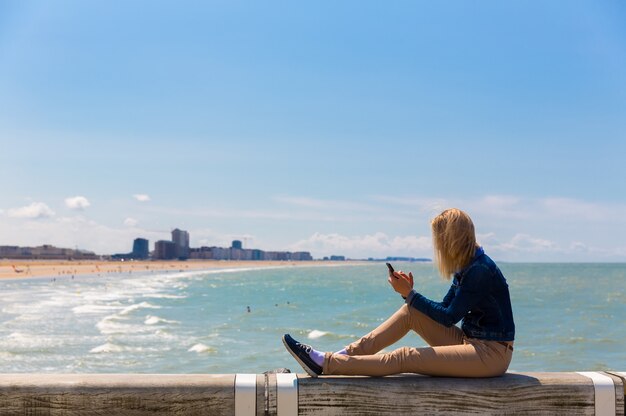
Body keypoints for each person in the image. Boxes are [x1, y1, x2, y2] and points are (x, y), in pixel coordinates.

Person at [282, 208, 515, 378]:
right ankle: (340, 355)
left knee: (405, 356)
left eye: (439, 239)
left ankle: (327, 364)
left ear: (450, 239)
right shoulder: (468, 265)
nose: (437, 246)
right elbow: (444, 309)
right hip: (470, 342)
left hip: (491, 355)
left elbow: (448, 317)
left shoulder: (480, 270)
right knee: (410, 312)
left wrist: (412, 294)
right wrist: (409, 296)